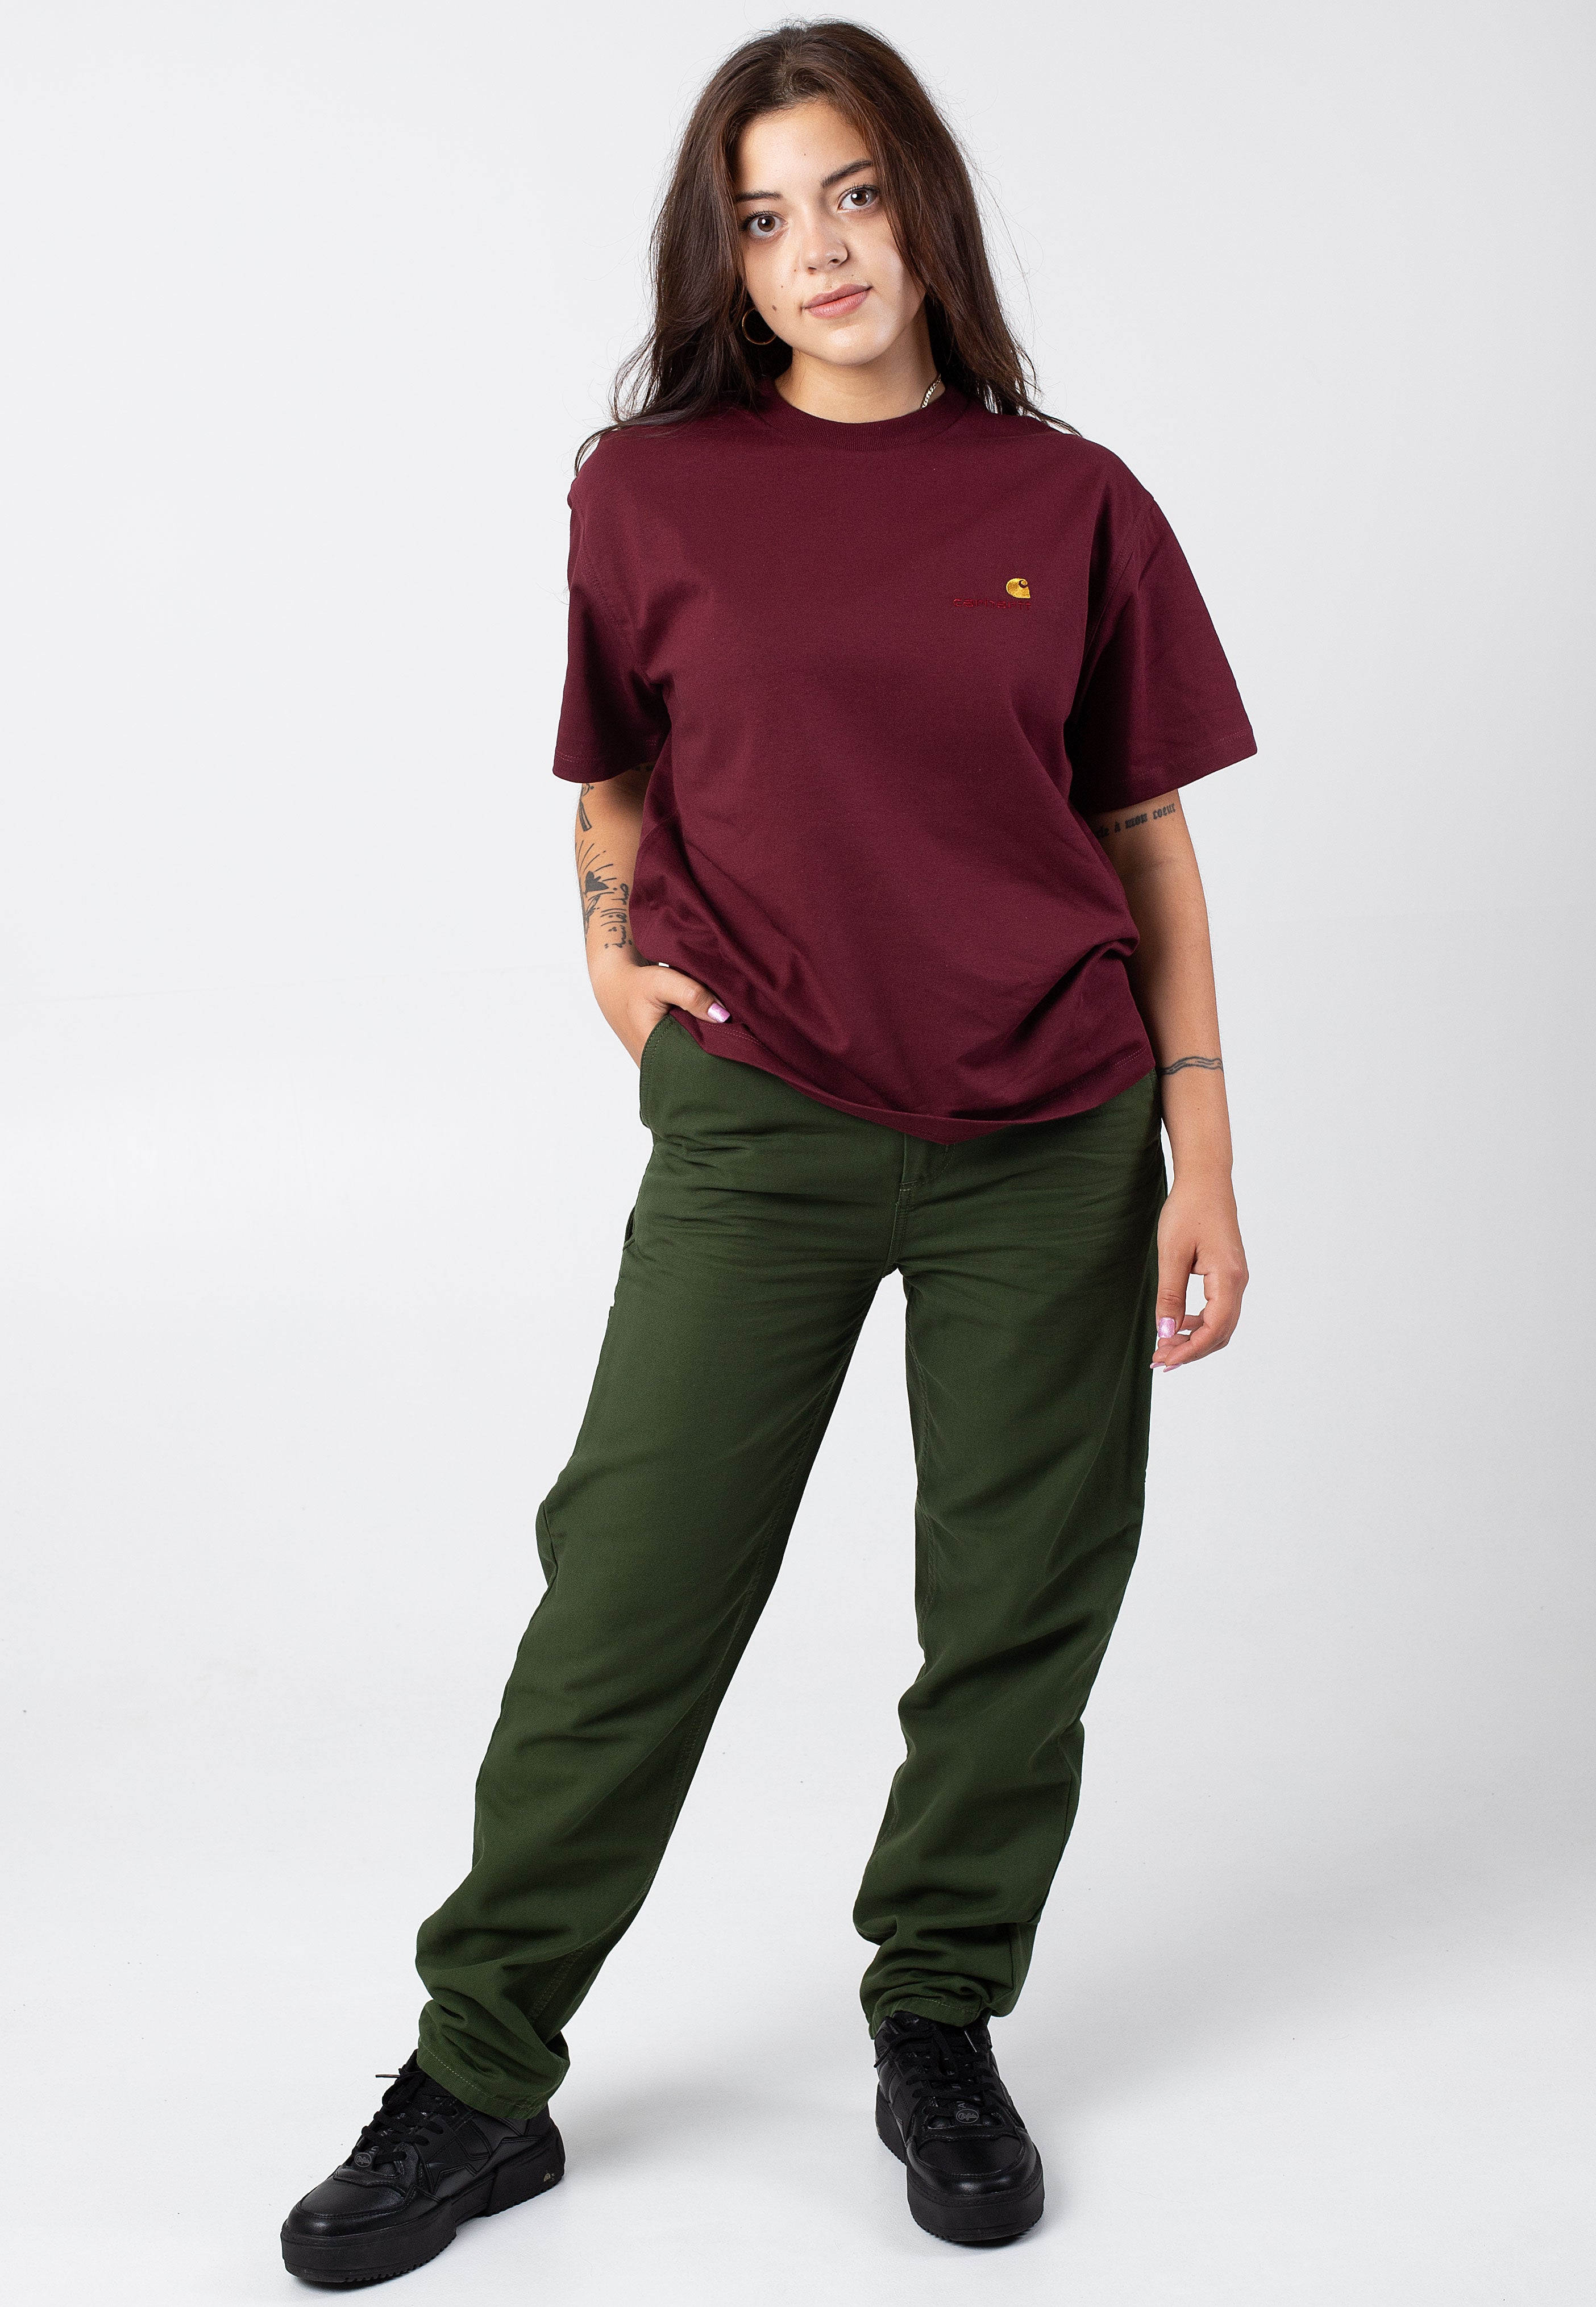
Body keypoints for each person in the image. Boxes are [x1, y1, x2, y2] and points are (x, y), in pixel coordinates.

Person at [281, 18, 1254, 2285]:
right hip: (767, 1119)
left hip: (1057, 1130)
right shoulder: (652, 494)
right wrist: (611, 957)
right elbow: (614, 777)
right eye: (763, 216)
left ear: (922, 207)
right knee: (628, 1600)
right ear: (721, 258)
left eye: (852, 193)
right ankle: (478, 2074)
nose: (819, 248)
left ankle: (939, 2017)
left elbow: (1144, 830)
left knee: (1020, 1609)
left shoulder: (1072, 502)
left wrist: (1201, 1140)